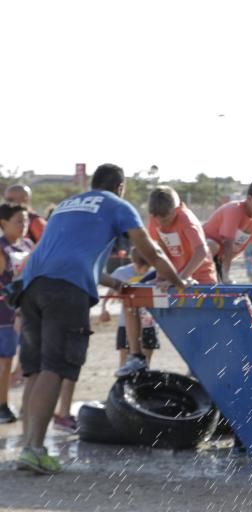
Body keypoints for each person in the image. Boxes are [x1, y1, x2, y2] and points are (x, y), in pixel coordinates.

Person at [14, 164, 185, 475]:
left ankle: (27, 446)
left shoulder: (67, 205)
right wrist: (180, 282)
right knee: (56, 367)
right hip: (65, 293)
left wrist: (113, 282)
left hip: (32, 286)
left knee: (35, 369)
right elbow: (152, 252)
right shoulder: (117, 205)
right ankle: (35, 450)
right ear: (120, 187)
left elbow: (65, 255)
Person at [111, 186, 216, 377]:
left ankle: (200, 366)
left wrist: (181, 278)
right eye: (158, 221)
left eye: (167, 220)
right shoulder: (154, 220)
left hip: (198, 278)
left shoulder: (186, 219)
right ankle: (136, 356)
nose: (163, 225)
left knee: (197, 328)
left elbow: (201, 251)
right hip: (172, 277)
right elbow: (157, 252)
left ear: (175, 210)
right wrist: (162, 277)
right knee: (131, 295)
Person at [203, 177, 252, 284]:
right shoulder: (234, 210)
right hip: (198, 255)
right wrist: (226, 276)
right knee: (213, 245)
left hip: (217, 260)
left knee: (218, 291)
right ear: (250, 199)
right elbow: (228, 243)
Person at [0, 204, 34, 423]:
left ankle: (26, 405)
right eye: (18, 221)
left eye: (25, 221)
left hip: (25, 311)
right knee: (5, 360)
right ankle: (2, 405)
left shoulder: (29, 244)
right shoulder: (1, 248)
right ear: (3, 223)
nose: (23, 226)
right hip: (3, 313)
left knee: (24, 359)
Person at [103, 248, 159, 373]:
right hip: (126, 324)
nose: (143, 271)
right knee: (125, 362)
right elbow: (109, 295)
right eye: (141, 268)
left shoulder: (156, 273)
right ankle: (124, 388)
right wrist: (104, 309)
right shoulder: (121, 273)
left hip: (148, 323)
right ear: (133, 261)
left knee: (145, 363)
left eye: (146, 268)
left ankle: (142, 388)